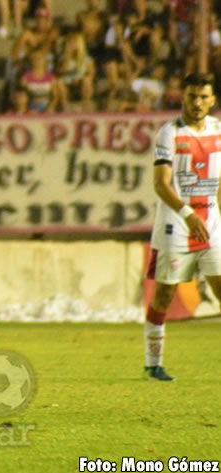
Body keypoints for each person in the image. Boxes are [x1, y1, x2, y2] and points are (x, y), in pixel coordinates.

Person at [145, 72, 221, 382]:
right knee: (164, 295)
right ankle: (153, 364)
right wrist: (188, 213)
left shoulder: (219, 130)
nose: (198, 103)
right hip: (176, 225)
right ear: (183, 98)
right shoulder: (169, 133)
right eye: (192, 96)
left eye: (204, 97)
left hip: (212, 224)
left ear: (212, 100)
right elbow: (161, 184)